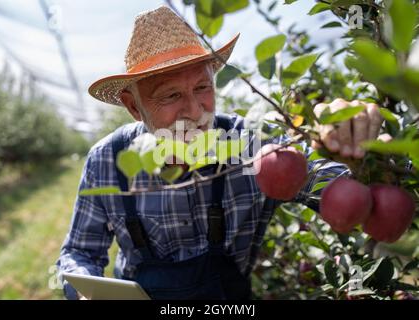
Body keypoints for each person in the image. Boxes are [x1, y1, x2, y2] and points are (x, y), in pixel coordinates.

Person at [57, 6, 383, 300]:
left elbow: (336, 184)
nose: (195, 111)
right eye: (170, 96)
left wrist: (351, 146)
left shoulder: (252, 144)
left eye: (202, 88)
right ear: (133, 107)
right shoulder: (107, 161)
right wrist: (84, 290)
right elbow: (79, 252)